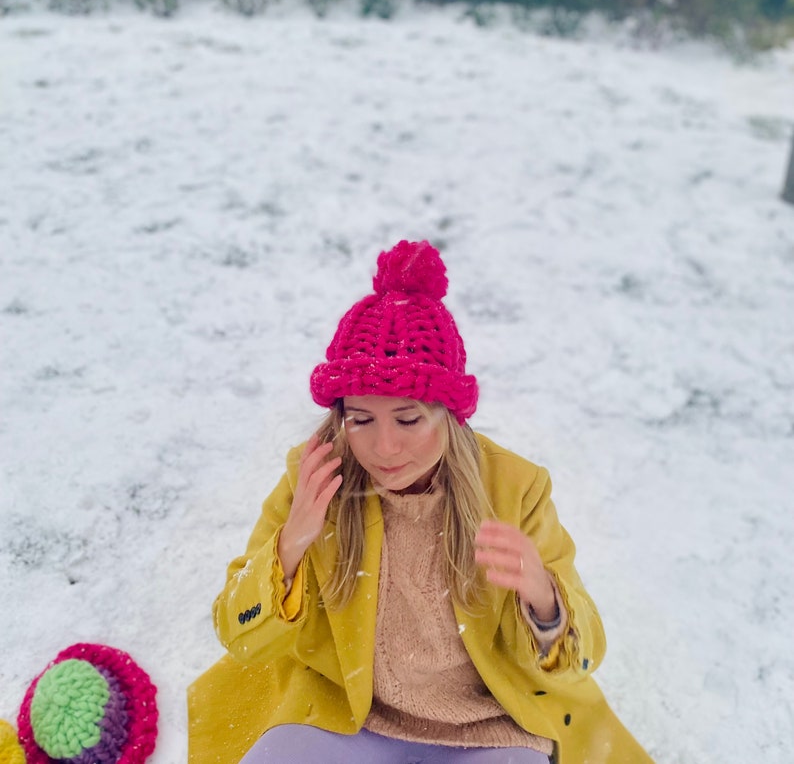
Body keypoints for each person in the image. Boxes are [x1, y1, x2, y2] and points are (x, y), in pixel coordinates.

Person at [188, 240, 655, 764]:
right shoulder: (315, 475)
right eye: (361, 419)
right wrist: (290, 547)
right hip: (352, 718)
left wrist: (545, 601)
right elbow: (238, 632)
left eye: (408, 419)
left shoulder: (515, 488)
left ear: (450, 416)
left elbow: (581, 656)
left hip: (491, 731)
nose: (384, 448)